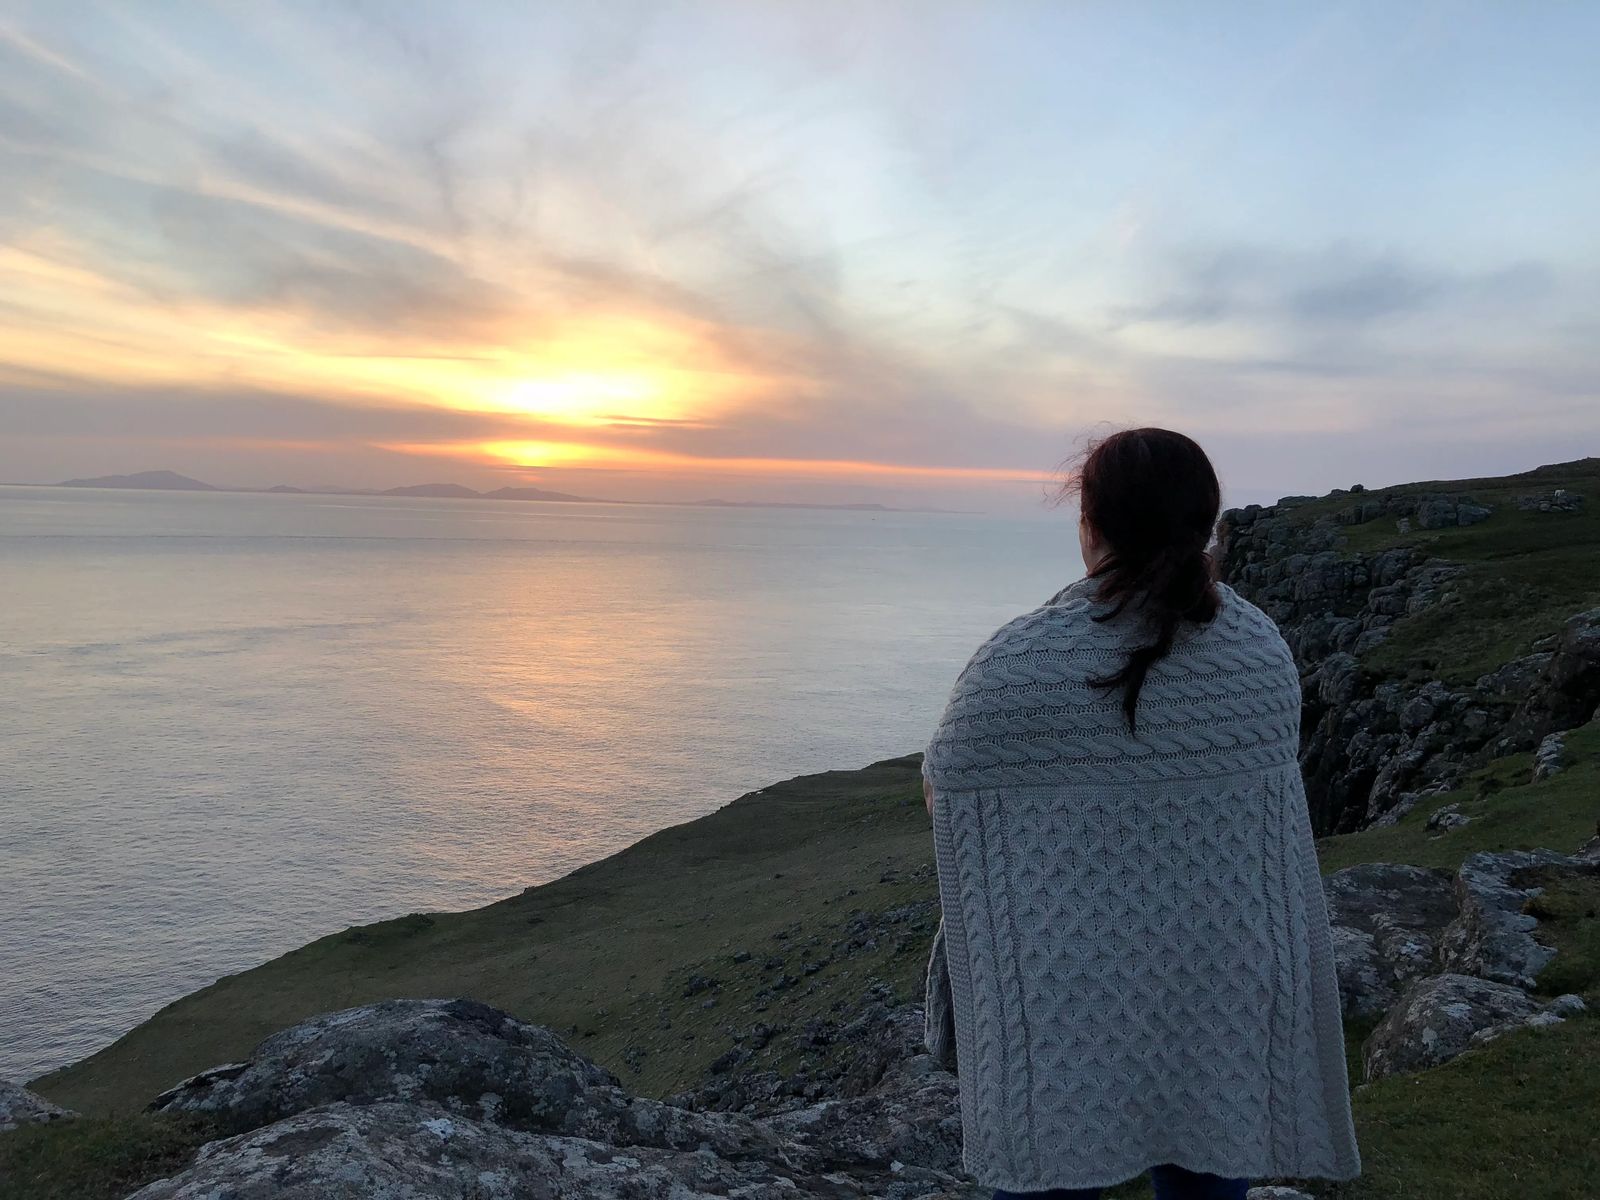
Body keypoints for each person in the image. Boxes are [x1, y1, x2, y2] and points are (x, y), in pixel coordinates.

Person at [920, 428, 1360, 1200]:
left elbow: (951, 793)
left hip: (1067, 981)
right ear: (1206, 523)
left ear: (1091, 521)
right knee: (1210, 1159)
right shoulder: (1257, 649)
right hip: (1223, 970)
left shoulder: (1019, 663)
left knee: (1048, 1169)